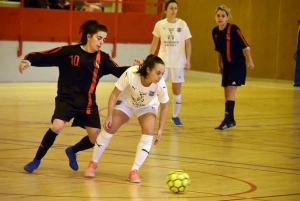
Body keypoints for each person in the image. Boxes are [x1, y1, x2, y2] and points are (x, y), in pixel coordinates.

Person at [19, 20, 133, 173]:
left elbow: (119, 70)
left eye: (104, 40)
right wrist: (28, 60)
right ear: (89, 36)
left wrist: (137, 69)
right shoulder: (69, 52)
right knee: (57, 126)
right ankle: (36, 160)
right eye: (99, 38)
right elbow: (47, 55)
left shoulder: (103, 59)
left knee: (96, 139)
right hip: (66, 100)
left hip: (87, 103)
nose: (101, 42)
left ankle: (72, 150)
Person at [84, 54, 169, 183]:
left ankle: (134, 170)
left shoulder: (160, 85)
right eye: (158, 73)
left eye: (162, 73)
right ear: (148, 69)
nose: (160, 77)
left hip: (147, 106)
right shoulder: (131, 74)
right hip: (127, 102)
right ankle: (93, 163)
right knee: (109, 128)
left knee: (148, 133)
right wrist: (109, 116)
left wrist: (161, 129)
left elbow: (164, 107)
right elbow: (113, 95)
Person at [149, 0, 192, 127]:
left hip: (178, 62)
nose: (174, 10)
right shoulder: (159, 24)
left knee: (176, 90)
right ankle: (152, 112)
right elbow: (154, 42)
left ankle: (175, 116)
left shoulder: (182, 24)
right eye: (171, 8)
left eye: (175, 8)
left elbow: (188, 43)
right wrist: (150, 58)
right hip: (163, 62)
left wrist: (188, 60)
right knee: (157, 87)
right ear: (166, 10)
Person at [212, 5, 255, 130]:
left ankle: (227, 120)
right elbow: (218, 50)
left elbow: (245, 46)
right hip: (227, 66)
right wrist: (218, 65)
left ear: (227, 17)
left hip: (238, 65)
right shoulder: (215, 32)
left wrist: (250, 61)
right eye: (218, 16)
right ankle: (231, 120)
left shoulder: (234, 29)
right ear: (215, 17)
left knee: (230, 92)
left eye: (223, 16)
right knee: (226, 94)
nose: (220, 18)